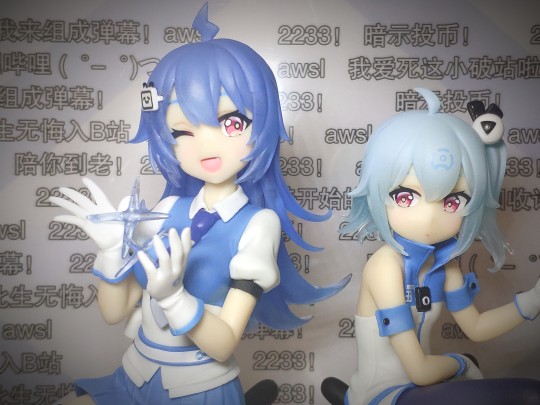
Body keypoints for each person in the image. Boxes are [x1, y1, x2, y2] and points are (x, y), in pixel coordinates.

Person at [51, 4, 349, 404]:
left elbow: (223, 344)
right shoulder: (167, 210)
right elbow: (114, 312)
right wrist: (111, 253)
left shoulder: (257, 224)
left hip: (198, 388)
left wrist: (174, 297)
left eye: (231, 123)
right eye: (182, 130)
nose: (206, 144)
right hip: (134, 376)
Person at [321, 88, 540, 405]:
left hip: (423, 388)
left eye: (453, 201)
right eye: (405, 197)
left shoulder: (445, 265)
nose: (429, 217)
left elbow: (476, 327)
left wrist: (533, 300)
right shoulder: (384, 266)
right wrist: (462, 363)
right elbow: (420, 371)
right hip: (384, 395)